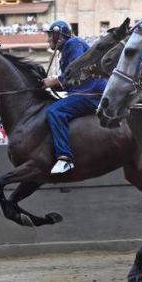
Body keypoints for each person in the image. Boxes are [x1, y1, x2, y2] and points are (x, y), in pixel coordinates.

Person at [41, 20, 106, 174]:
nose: (48, 40)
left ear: (58, 35)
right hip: (86, 92)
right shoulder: (67, 49)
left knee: (55, 111)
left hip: (91, 94)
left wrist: (54, 81)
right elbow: (73, 80)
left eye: (50, 35)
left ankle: (64, 158)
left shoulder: (73, 43)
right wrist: (53, 84)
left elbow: (76, 70)